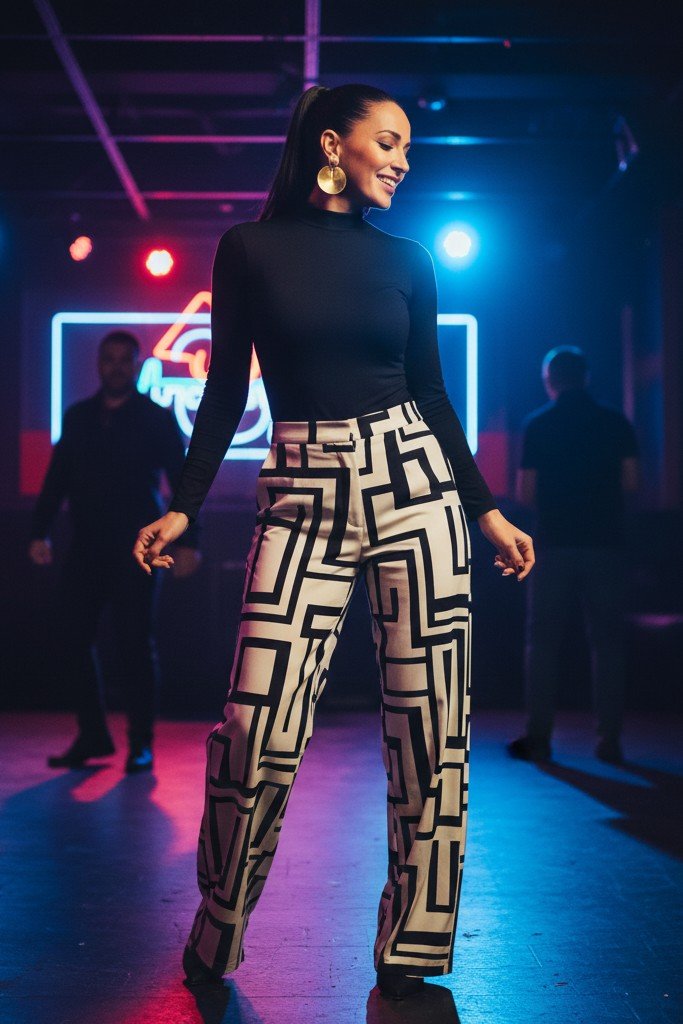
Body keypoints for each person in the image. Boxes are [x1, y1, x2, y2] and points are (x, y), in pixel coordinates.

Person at [133, 84, 535, 1001]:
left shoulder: (409, 259)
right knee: (256, 725)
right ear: (330, 144)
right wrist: (185, 507)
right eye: (388, 142)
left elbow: (431, 396)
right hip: (301, 490)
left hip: (415, 486)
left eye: (407, 148)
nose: (402, 161)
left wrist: (484, 510)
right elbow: (224, 391)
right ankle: (218, 925)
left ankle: (412, 943)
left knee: (431, 728)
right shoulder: (249, 248)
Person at [29, 330, 201, 774]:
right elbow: (57, 478)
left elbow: (183, 480)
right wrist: (39, 532)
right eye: (110, 358)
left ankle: (140, 744)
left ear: (137, 365)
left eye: (126, 359)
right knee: (71, 638)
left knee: (134, 645)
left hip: (138, 552)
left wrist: (189, 542)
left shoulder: (155, 418)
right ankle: (93, 735)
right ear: (99, 363)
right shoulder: (79, 416)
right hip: (86, 547)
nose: (117, 366)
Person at [508, 346, 639, 766]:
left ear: (550, 381)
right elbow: (632, 483)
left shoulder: (537, 425)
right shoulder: (616, 422)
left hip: (553, 546)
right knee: (608, 645)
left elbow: (524, 492)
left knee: (542, 644)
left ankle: (539, 739)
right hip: (606, 545)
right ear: (587, 377)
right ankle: (609, 740)